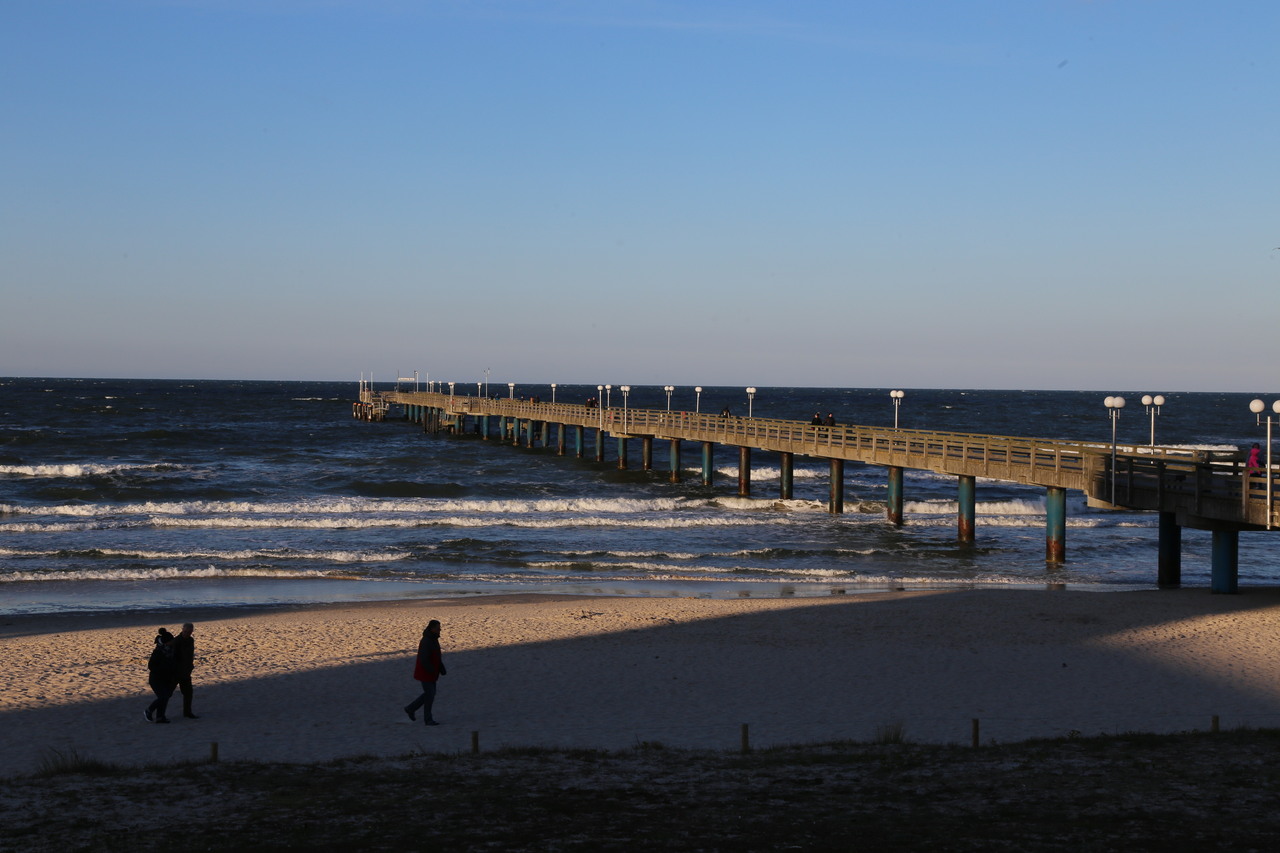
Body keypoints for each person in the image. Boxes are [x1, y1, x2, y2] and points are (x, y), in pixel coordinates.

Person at [403, 620, 446, 726]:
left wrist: (441, 667)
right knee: (430, 694)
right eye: (437, 628)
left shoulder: (434, 639)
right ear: (432, 628)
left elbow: (436, 656)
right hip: (425, 672)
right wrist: (432, 670)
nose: (439, 630)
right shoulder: (426, 641)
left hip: (432, 672)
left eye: (439, 628)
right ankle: (427, 719)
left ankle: (410, 708)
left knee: (429, 694)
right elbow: (424, 659)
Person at [145, 629, 179, 724]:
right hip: (156, 679)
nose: (173, 642)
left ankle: (160, 717)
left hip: (167, 678)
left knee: (165, 697)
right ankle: (149, 710)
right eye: (171, 641)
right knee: (163, 697)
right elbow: (151, 666)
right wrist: (163, 670)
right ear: (166, 642)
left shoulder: (171, 650)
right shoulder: (158, 652)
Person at [173, 622, 198, 719]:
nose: (187, 633)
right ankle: (157, 713)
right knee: (167, 694)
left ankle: (187, 712)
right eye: (185, 631)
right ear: (182, 630)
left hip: (186, 671)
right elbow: (173, 657)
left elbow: (190, 655)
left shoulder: (191, 640)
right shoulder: (177, 641)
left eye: (189, 632)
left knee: (188, 693)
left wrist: (190, 666)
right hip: (176, 672)